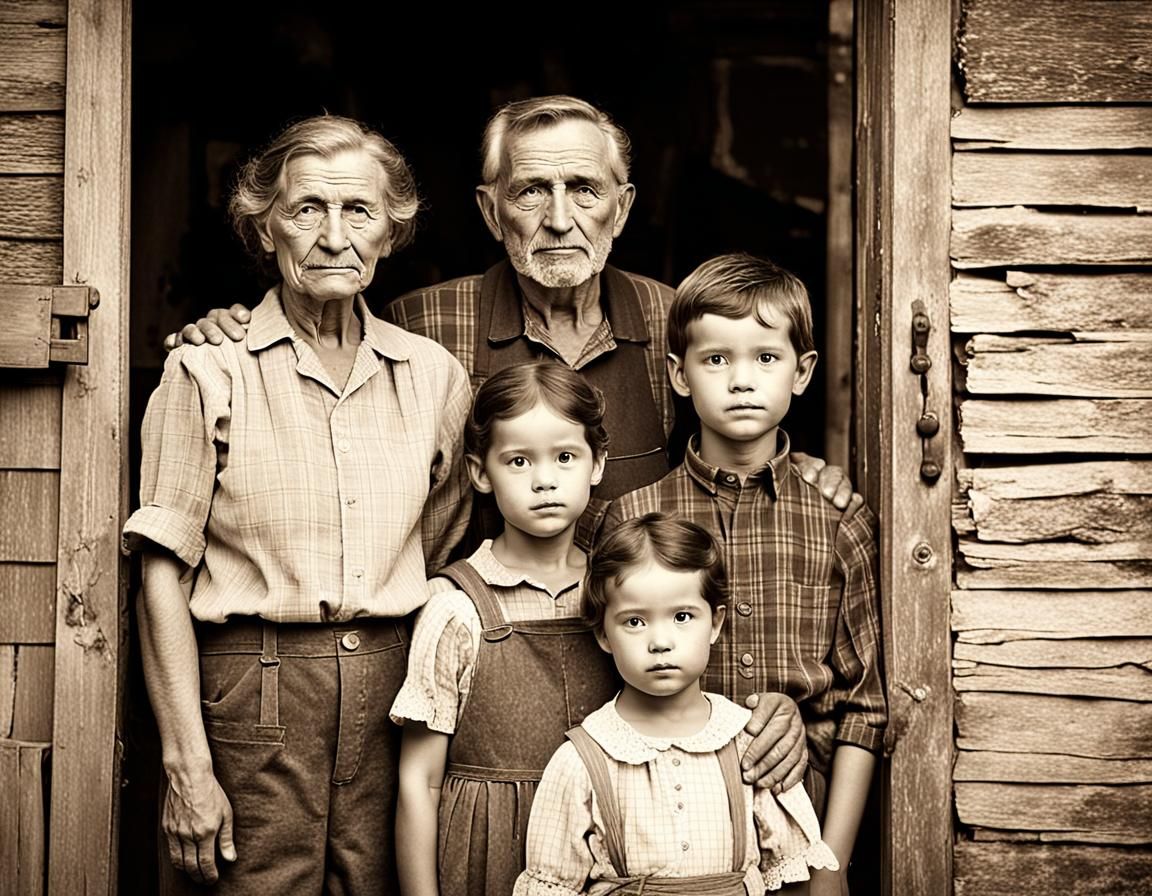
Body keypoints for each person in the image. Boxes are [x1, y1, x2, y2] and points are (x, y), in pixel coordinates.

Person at [121, 114, 472, 894]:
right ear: (264, 224)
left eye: (359, 211)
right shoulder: (209, 370)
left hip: (394, 699)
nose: (333, 235)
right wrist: (187, 766)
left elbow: (439, 545)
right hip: (251, 694)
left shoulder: (434, 377)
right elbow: (160, 579)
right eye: (307, 208)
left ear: (390, 232)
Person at [601, 253, 886, 895]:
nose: (741, 381)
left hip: (801, 809)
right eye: (716, 359)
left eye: (765, 357)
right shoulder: (633, 516)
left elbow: (865, 705)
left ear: (802, 372)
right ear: (679, 374)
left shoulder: (838, 520)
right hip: (662, 814)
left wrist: (829, 862)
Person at [515, 513, 839, 895]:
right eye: (635, 622)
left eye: (682, 616)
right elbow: (551, 885)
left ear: (716, 624)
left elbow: (795, 874)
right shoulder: (583, 759)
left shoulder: (746, 743)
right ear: (603, 633)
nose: (660, 642)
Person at [392, 360, 619, 896]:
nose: (544, 480)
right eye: (518, 460)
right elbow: (419, 782)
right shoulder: (454, 607)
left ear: (597, 463)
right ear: (479, 473)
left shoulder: (616, 595)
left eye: (565, 457)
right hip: (487, 850)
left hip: (600, 847)